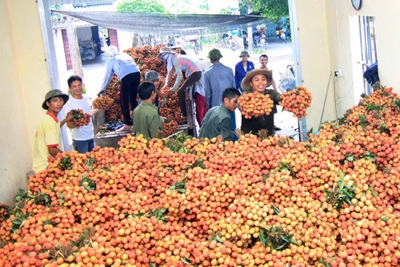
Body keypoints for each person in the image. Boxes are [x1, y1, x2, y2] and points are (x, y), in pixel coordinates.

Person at [157, 47, 207, 126]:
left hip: (195, 73)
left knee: (180, 92)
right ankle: (184, 113)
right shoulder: (172, 60)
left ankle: (184, 115)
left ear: (168, 54)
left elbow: (179, 76)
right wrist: (166, 85)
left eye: (163, 55)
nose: (163, 58)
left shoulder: (175, 59)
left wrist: (174, 88)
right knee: (182, 90)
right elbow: (170, 74)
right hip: (192, 73)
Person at [100, 46, 140, 132]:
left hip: (126, 77)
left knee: (123, 101)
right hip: (137, 74)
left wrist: (103, 88)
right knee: (133, 100)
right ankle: (138, 121)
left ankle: (128, 124)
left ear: (109, 54)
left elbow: (107, 75)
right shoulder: (125, 55)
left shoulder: (111, 60)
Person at [32, 89, 73, 173]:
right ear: (48, 104)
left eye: (61, 100)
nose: (59, 103)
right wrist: (68, 156)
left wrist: (65, 120)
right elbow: (52, 149)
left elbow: (56, 127)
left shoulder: (49, 119)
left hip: (39, 165)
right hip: (45, 167)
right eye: (55, 101)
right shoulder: (50, 122)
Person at [240, 69, 282, 137]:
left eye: (263, 79)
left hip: (268, 136)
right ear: (251, 83)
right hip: (249, 137)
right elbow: (241, 106)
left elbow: (281, 98)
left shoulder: (271, 94)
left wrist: (290, 98)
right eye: (256, 80)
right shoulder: (246, 97)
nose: (260, 82)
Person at [62, 75, 95, 154]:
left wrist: (100, 109)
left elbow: (88, 114)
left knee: (93, 162)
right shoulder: (69, 103)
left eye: (79, 85)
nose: (78, 88)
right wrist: (78, 122)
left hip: (90, 136)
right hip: (79, 140)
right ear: (69, 88)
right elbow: (69, 124)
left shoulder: (86, 98)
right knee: (83, 164)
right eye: (74, 86)